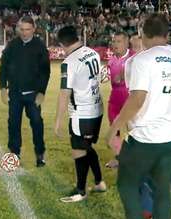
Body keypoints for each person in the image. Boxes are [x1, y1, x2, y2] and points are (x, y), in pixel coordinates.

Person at [107, 13, 171, 219]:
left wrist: (114, 128)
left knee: (127, 184)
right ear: (167, 33)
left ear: (142, 33)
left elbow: (137, 99)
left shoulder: (142, 59)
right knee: (161, 187)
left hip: (145, 139)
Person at [55, 25, 106, 203]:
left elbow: (64, 93)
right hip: (97, 109)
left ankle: (81, 191)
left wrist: (58, 121)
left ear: (62, 43)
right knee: (87, 146)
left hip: (83, 113)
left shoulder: (69, 62)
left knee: (78, 150)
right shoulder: (93, 52)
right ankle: (99, 182)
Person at [0, 16, 50, 167]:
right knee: (13, 123)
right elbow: (3, 67)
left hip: (33, 94)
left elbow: (45, 72)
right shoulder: (12, 45)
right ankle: (15, 154)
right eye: (22, 29)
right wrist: (3, 88)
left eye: (28, 29)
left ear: (33, 29)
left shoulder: (40, 46)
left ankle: (39, 154)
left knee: (36, 122)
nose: (25, 33)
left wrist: (41, 92)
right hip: (14, 93)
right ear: (18, 29)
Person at [106, 31, 135, 168]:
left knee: (134, 130)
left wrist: (123, 76)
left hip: (130, 99)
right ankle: (119, 158)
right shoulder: (111, 59)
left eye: (119, 41)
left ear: (126, 42)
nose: (115, 44)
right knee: (114, 129)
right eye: (114, 41)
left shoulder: (134, 57)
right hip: (115, 99)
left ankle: (136, 158)